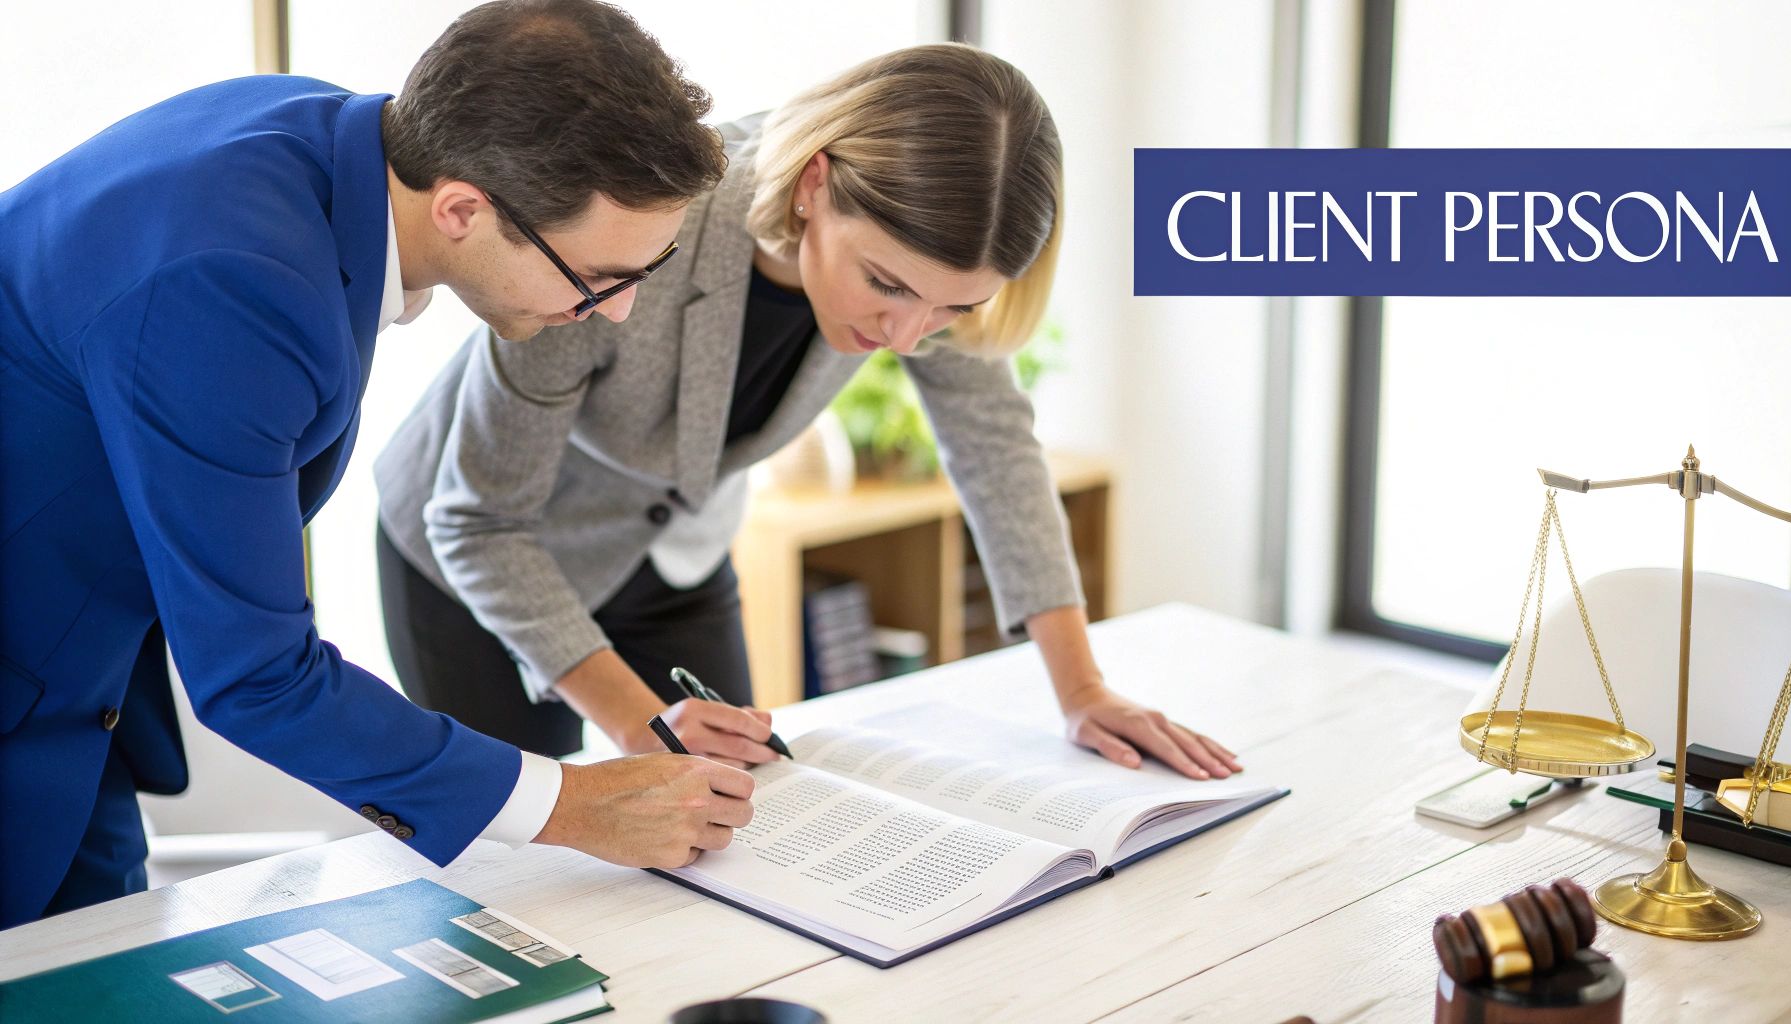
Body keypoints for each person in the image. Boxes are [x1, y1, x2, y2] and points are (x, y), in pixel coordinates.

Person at [0, 0, 754, 930]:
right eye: (601, 279)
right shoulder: (237, 285)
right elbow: (259, 677)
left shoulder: (320, 140)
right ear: (464, 208)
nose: (618, 314)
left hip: (81, 684)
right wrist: (576, 805)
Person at [375, 43, 1247, 782]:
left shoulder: (927, 265)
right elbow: (480, 521)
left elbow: (996, 447)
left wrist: (1083, 690)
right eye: (888, 286)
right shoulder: (639, 225)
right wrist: (640, 724)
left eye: (951, 310)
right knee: (526, 855)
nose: (908, 337)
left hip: (672, 553)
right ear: (815, 185)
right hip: (477, 548)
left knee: (741, 807)